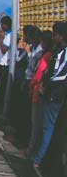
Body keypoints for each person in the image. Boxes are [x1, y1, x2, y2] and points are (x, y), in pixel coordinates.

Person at [33, 22, 67, 168]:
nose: (53, 37)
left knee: (47, 127)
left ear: (61, 36)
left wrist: (45, 86)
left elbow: (59, 75)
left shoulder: (63, 52)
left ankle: (38, 159)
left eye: (55, 34)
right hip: (51, 93)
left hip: (54, 94)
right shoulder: (58, 51)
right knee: (45, 126)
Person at [28, 31, 53, 158]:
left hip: (38, 91)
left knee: (36, 124)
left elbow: (39, 74)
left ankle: (32, 150)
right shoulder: (47, 54)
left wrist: (32, 84)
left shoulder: (47, 56)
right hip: (39, 91)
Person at [0, 16, 13, 114]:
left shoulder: (10, 35)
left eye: (3, 24)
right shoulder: (4, 34)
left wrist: (1, 38)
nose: (1, 26)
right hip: (1, 62)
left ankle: (1, 108)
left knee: (2, 86)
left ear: (7, 25)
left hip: (6, 63)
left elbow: (4, 50)